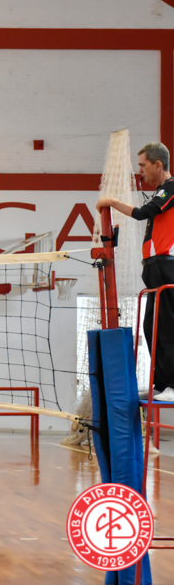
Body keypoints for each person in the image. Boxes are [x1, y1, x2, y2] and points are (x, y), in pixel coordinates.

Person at [98, 142, 174, 401]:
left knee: (167, 327)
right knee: (151, 327)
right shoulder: (161, 191)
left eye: (143, 165)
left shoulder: (171, 187)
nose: (140, 171)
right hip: (153, 268)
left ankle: (172, 385)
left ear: (158, 165)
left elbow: (143, 213)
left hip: (166, 266)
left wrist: (112, 201)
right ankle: (161, 384)